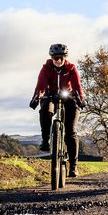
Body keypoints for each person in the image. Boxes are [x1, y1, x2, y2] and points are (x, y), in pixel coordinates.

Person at [29, 43, 85, 177]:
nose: (58, 61)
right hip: (51, 95)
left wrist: (81, 99)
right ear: (51, 58)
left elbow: (77, 86)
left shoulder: (71, 68)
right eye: (55, 58)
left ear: (65, 57)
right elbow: (40, 85)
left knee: (71, 132)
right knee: (45, 110)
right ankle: (45, 140)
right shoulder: (46, 68)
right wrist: (36, 98)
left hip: (69, 97)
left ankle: (73, 166)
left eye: (61, 58)